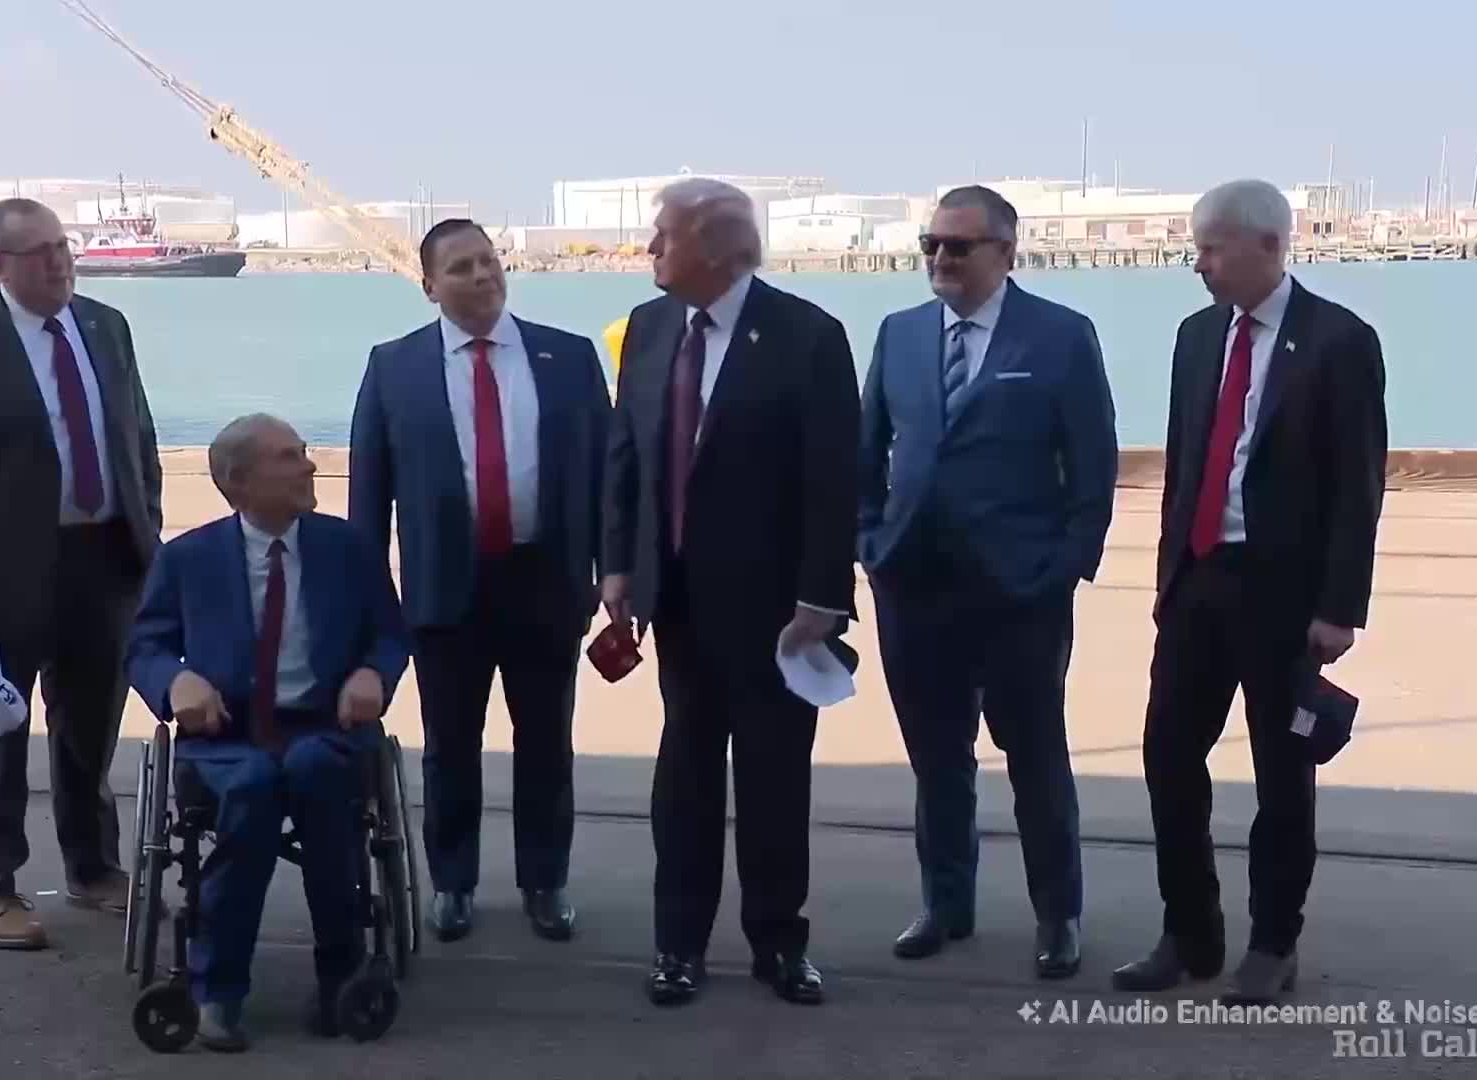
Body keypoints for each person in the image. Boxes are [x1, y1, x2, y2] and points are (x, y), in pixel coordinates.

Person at [1110, 179, 1387, 1005]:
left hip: (1284, 599)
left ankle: (1273, 944)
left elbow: (1357, 487)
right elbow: (1185, 465)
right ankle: (1189, 933)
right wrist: (1166, 583)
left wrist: (1339, 608)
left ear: (1269, 245)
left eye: (1212, 248)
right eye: (1195, 247)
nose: (1197, 264)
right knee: (1167, 759)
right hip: (1198, 585)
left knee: (1281, 777)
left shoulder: (1338, 340)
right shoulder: (1196, 339)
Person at [600, 177, 859, 1007]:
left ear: (714, 248)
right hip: (674, 600)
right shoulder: (646, 328)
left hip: (776, 608)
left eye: (662, 236)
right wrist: (617, 564)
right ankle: (678, 945)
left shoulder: (808, 336)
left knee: (776, 779)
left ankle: (780, 944)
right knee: (685, 777)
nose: (649, 251)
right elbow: (627, 458)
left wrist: (824, 595)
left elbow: (833, 480)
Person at [857, 186, 1117, 978]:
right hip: (915, 587)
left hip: (1020, 593)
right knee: (938, 761)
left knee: (1036, 759)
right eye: (930, 244)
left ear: (1006, 251)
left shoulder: (1061, 337)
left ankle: (1057, 916)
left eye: (958, 246)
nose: (940, 258)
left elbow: (1094, 467)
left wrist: (1066, 565)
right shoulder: (899, 335)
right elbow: (865, 452)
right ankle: (945, 905)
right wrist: (870, 542)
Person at [0, 197, 163, 949]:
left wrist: (148, 528)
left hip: (105, 562)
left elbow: (134, 435)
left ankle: (93, 867)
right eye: (39, 252)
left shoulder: (106, 328)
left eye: (63, 247)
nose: (58, 262)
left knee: (89, 730)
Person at [349, 219, 612, 943]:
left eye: (490, 262)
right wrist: (367, 604)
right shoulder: (393, 366)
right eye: (461, 267)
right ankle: (454, 883)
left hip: (546, 583)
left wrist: (610, 573)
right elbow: (368, 496)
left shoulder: (569, 357)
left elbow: (606, 479)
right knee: (450, 746)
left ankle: (544, 881)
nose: (482, 276)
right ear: (429, 285)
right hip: (444, 590)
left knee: (546, 743)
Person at [128, 413, 411, 1052]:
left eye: (306, 452)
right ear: (238, 481)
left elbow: (390, 635)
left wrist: (372, 673)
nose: (310, 466)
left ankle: (342, 971)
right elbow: (145, 645)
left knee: (316, 773)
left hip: (325, 728)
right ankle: (217, 989)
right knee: (253, 785)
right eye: (289, 457)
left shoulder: (349, 549)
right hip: (227, 738)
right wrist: (176, 684)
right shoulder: (188, 558)